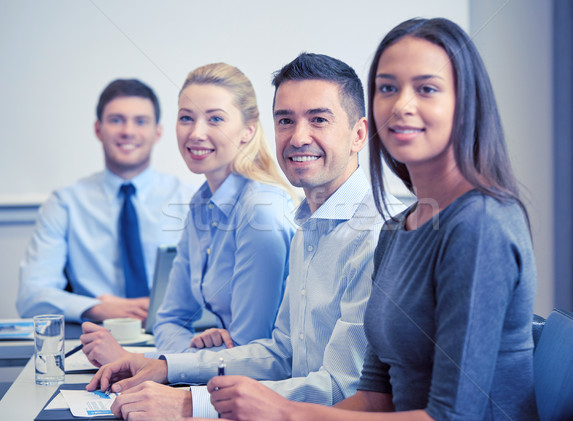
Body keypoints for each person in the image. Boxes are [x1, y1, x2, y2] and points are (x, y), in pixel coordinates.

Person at [204, 17, 539, 421]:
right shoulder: (398, 229)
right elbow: (374, 398)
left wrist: (284, 413)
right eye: (388, 88)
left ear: (465, 103)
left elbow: (454, 418)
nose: (402, 105)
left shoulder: (480, 224)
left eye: (427, 89)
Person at [86, 53, 404, 420]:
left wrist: (192, 404)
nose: (299, 137)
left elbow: (340, 389)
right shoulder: (310, 227)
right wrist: (165, 366)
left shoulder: (377, 234)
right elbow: (281, 354)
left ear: (359, 134)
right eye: (285, 120)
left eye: (319, 119)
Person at [80, 63, 296, 367]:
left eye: (215, 119)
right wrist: (195, 353)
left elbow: (252, 354)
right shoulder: (201, 203)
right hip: (222, 377)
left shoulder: (261, 213)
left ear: (248, 129)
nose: (196, 133)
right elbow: (168, 319)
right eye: (186, 118)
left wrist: (142, 361)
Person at [17, 79, 195, 323]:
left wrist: (164, 306)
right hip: (95, 337)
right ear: (98, 129)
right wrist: (96, 308)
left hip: (176, 338)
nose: (128, 131)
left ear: (158, 132)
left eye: (140, 121)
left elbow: (217, 289)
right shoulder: (65, 203)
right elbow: (31, 295)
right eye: (116, 120)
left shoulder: (190, 199)